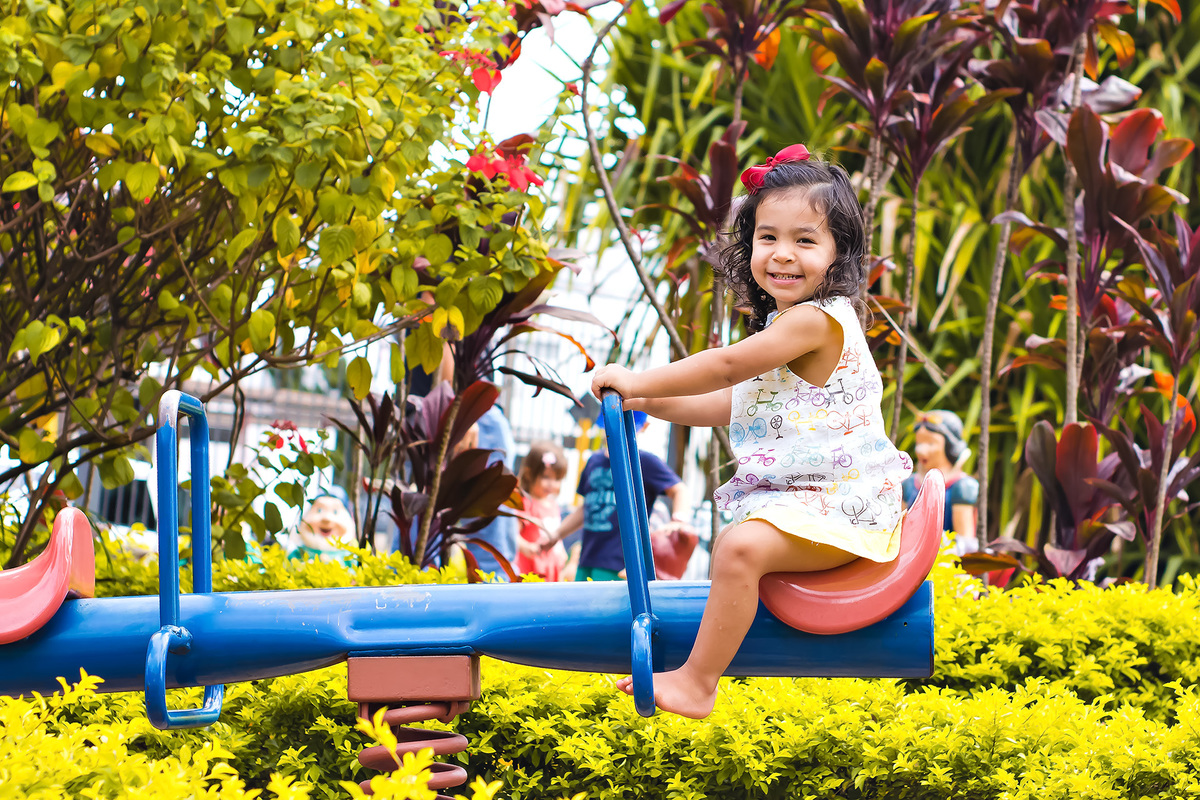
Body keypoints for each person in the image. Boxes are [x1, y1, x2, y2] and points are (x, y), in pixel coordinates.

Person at [588, 144, 912, 718]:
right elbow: (729, 402)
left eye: (805, 241)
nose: (783, 255)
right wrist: (647, 401)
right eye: (768, 237)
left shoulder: (815, 320)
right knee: (739, 541)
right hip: (810, 500)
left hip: (843, 506)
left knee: (738, 547)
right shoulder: (786, 324)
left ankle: (698, 681)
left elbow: (727, 366)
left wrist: (638, 375)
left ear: (837, 255)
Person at [541, 411, 690, 582]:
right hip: (587, 559)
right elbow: (586, 508)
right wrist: (556, 535)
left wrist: (678, 520)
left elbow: (679, 489)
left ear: (644, 427)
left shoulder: (644, 462)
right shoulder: (593, 462)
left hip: (621, 564)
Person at [902, 410, 979, 554]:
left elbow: (966, 542)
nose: (920, 450)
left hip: (945, 563)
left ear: (950, 446)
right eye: (919, 442)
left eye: (931, 443)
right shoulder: (908, 484)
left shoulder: (961, 487)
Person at [514, 440, 570, 580]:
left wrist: (561, 551)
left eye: (557, 479)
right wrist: (525, 546)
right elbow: (512, 534)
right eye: (546, 477)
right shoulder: (525, 503)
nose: (552, 484)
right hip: (531, 570)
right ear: (529, 474)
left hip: (551, 568)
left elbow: (556, 532)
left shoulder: (553, 505)